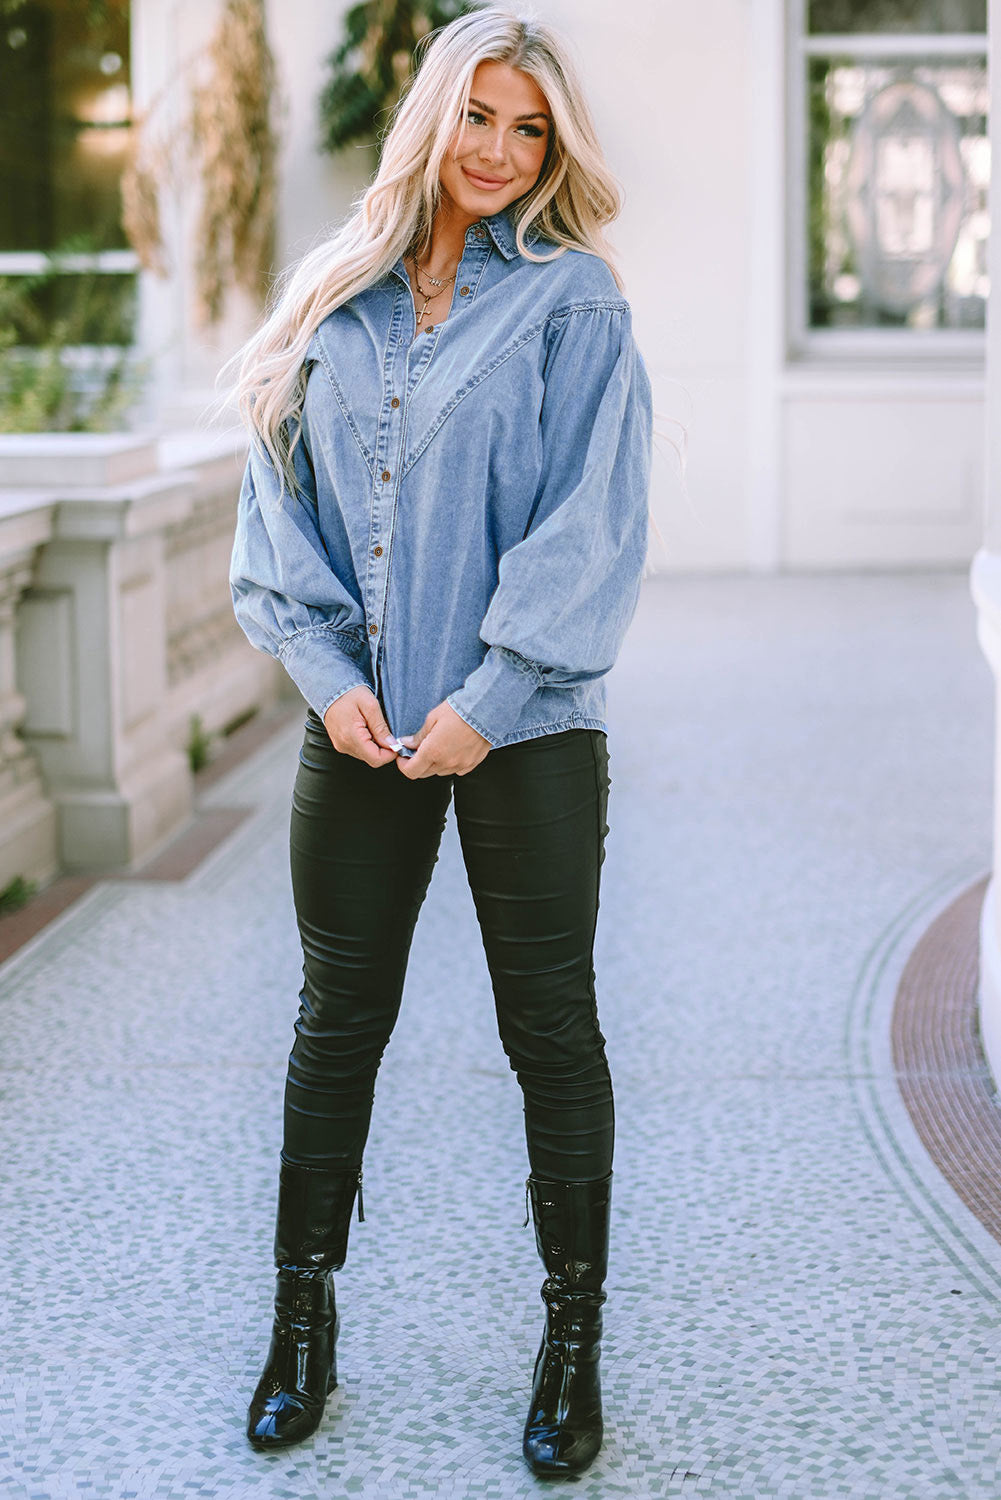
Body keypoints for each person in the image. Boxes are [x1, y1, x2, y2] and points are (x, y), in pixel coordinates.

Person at [225, 5, 652, 1478]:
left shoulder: (574, 302)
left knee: (552, 1032)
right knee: (334, 1024)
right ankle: (298, 1328)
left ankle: (570, 1346)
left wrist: (489, 696)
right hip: (354, 723)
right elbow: (274, 507)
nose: (497, 150)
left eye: (527, 127)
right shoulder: (333, 296)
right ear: (430, 117)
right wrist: (318, 666)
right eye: (477, 115)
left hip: (522, 729)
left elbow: (594, 523)